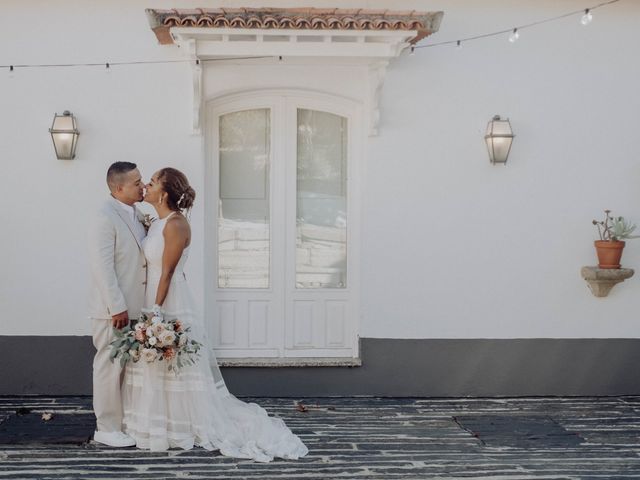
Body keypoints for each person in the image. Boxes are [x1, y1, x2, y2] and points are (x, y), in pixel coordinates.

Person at [122, 168, 308, 461]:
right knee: (157, 363)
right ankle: (159, 424)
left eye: (153, 182)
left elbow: (168, 271)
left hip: (168, 298)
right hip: (151, 295)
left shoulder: (176, 224)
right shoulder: (156, 223)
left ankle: (185, 424)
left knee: (174, 360)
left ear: (165, 192)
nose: (147, 184)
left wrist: (156, 312)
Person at [88, 162, 146, 447]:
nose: (142, 184)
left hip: (137, 309)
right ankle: (106, 427)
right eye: (136, 182)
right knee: (109, 367)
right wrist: (117, 307)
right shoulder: (104, 217)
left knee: (128, 369)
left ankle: (124, 423)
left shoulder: (136, 213)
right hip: (114, 312)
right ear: (118, 188)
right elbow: (102, 267)